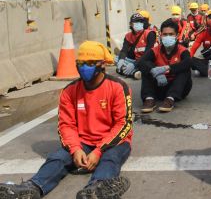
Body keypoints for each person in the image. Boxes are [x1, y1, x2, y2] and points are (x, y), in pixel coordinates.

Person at [0, 42, 132, 199]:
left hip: (113, 141)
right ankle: (33, 187)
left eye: (90, 63)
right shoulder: (69, 91)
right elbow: (66, 125)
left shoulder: (118, 87)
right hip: (83, 142)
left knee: (110, 159)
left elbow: (123, 124)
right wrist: (75, 149)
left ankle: (97, 189)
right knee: (58, 158)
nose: (84, 67)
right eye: (80, 63)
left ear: (102, 64)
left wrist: (98, 151)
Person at [138, 19, 193, 113]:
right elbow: (141, 62)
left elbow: (188, 62)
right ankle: (149, 99)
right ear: (161, 35)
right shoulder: (155, 50)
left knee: (185, 70)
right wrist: (154, 71)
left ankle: (170, 99)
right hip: (159, 86)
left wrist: (167, 68)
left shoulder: (182, 50)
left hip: (178, 89)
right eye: (165, 34)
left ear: (176, 36)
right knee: (146, 67)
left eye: (171, 34)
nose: (168, 37)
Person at [116, 13, 157, 80]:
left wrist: (134, 64)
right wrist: (121, 60)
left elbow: (148, 54)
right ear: (131, 24)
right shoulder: (128, 36)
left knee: (146, 65)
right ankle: (135, 73)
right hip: (136, 59)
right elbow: (124, 50)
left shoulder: (149, 34)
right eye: (136, 22)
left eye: (140, 22)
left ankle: (130, 71)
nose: (139, 23)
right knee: (117, 58)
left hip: (149, 60)